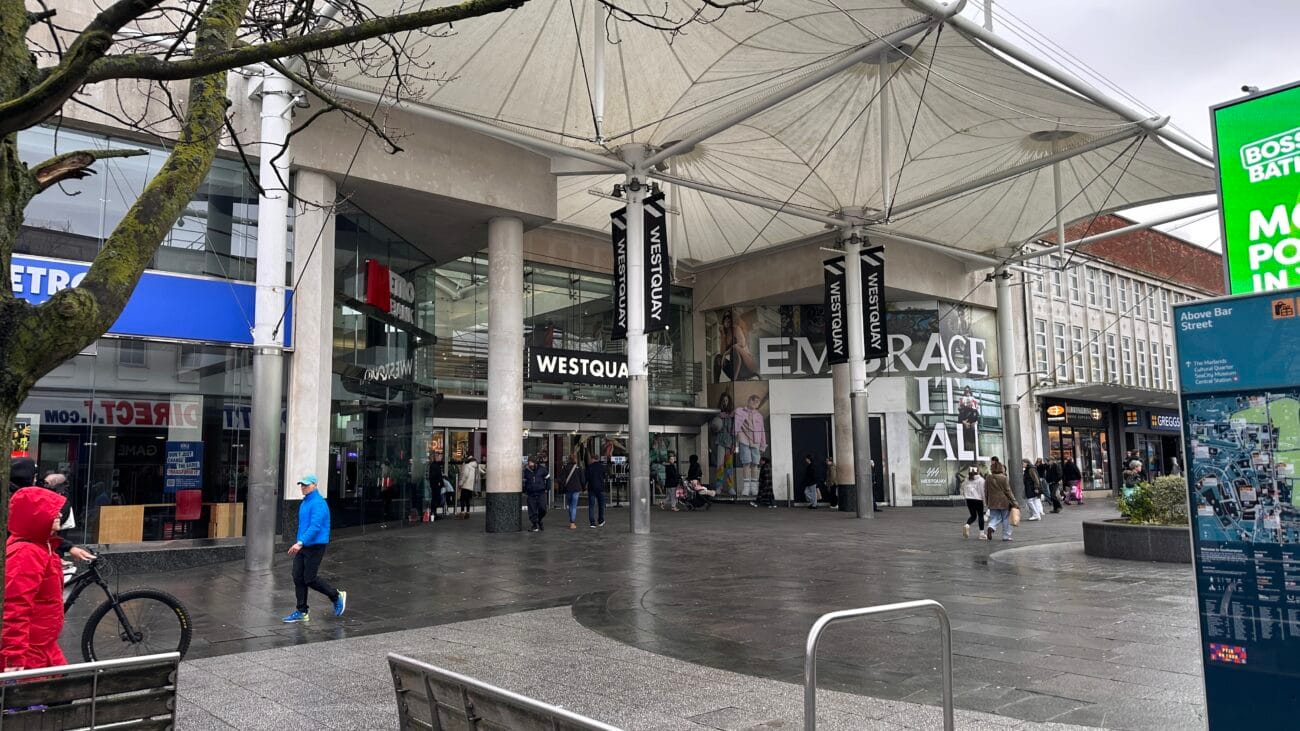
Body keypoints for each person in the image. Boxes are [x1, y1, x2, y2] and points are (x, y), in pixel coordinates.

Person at [3, 487, 92, 671]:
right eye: (51, 510)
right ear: (35, 516)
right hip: (30, 651)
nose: (59, 514)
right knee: (55, 696)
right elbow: (15, 606)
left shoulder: (43, 545)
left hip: (43, 645)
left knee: (63, 693)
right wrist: (14, 656)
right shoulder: (27, 553)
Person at [282, 475, 346, 623]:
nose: (303, 487)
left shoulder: (318, 503)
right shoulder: (306, 502)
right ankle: (301, 610)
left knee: (309, 578)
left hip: (315, 546)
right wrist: (300, 542)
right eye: (301, 485)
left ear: (315, 485)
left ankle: (336, 596)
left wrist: (300, 543)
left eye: (306, 485)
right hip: (303, 545)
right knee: (298, 576)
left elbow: (315, 527)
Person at [734, 393, 767, 497]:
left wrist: (763, 444)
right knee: (746, 462)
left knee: (755, 464)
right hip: (744, 439)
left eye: (757, 402)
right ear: (749, 401)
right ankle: (746, 487)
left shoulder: (759, 416)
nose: (755, 403)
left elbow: (762, 430)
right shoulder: (739, 411)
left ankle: (754, 487)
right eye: (753, 401)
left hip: (756, 441)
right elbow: (735, 424)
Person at [983, 461, 1018, 541]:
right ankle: (1006, 536)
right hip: (1004, 501)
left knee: (994, 517)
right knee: (1006, 518)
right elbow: (1008, 491)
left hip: (992, 501)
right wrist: (1014, 501)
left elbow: (986, 490)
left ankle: (991, 527)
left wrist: (987, 501)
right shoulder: (1004, 477)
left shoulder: (988, 477)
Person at [560, 453, 586, 530]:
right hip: (576, 489)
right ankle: (572, 522)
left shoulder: (565, 467)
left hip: (568, 489)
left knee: (570, 505)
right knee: (574, 506)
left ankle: (571, 521)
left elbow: (562, 479)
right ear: (576, 459)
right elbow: (582, 479)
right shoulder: (579, 468)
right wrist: (584, 488)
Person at [523, 457, 549, 531]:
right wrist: (525, 490)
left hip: (541, 492)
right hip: (531, 493)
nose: (530, 464)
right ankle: (534, 525)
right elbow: (525, 481)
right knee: (532, 510)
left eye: (531, 463)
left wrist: (547, 488)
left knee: (543, 509)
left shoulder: (542, 469)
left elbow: (548, 478)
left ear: (535, 463)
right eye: (529, 463)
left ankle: (539, 520)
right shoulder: (526, 471)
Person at [960, 465, 986, 539]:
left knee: (973, 515)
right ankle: (981, 533)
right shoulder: (981, 480)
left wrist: (966, 496)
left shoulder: (967, 479)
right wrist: (985, 501)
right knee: (980, 516)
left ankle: (967, 525)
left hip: (969, 499)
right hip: (978, 500)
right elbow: (982, 491)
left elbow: (963, 488)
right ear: (977, 471)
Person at [585, 454, 607, 527]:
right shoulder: (602, 467)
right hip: (601, 488)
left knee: (591, 506)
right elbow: (605, 476)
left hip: (591, 488)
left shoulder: (589, 467)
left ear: (592, 459)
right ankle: (601, 520)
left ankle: (592, 522)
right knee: (601, 505)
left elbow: (586, 478)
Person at [456, 455, 478, 519]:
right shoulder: (474, 468)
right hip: (470, 487)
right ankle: (468, 513)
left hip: (465, 486)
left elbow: (465, 476)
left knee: (462, 499)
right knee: (468, 500)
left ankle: (462, 513)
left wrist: (460, 484)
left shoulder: (467, 466)